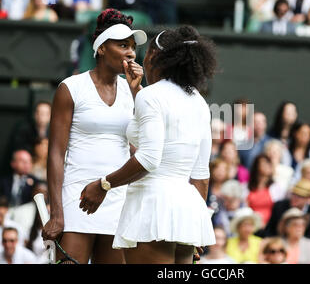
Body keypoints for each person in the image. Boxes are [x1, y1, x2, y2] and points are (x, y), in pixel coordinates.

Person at [78, 25, 217, 264]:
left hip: (153, 208)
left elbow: (150, 159)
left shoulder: (151, 97)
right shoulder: (198, 101)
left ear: (154, 57)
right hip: (187, 210)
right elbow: (201, 175)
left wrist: (103, 185)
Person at [41, 8, 147, 264]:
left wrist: (138, 95)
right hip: (76, 199)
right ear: (101, 48)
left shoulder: (135, 91)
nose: (131, 53)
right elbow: (56, 152)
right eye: (123, 45)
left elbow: (147, 146)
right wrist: (56, 213)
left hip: (117, 200)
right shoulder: (71, 88)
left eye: (132, 47)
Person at [246, 155, 280, 226]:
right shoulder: (247, 187)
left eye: (268, 163)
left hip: (270, 226)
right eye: (263, 163)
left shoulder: (276, 187)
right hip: (251, 224)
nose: (266, 166)